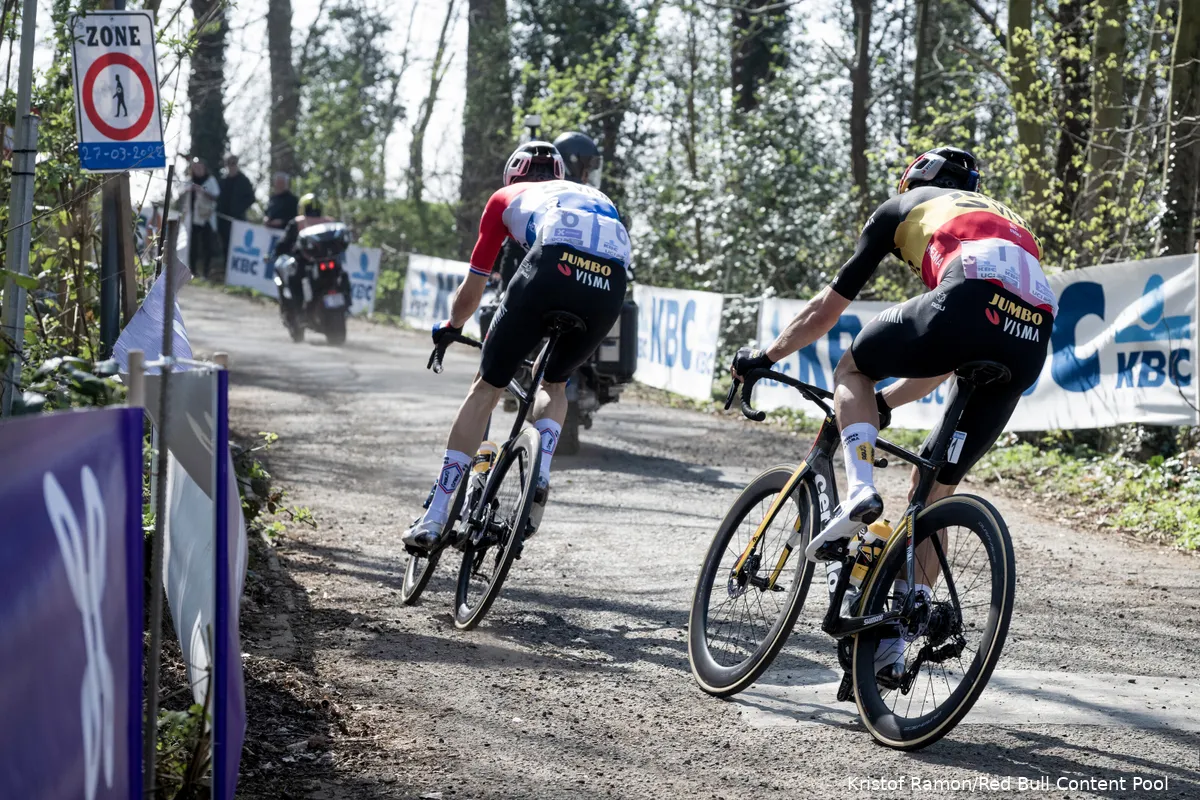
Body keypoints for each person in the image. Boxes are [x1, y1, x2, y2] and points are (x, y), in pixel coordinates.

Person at [730, 147, 1056, 677]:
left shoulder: (904, 207)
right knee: (933, 493)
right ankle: (896, 639)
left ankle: (860, 489)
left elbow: (825, 310)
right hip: (1031, 336)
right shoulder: (1011, 223)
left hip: (967, 298)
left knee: (853, 369)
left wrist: (765, 358)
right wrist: (882, 405)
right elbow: (946, 359)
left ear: (915, 180)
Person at [402, 142, 632, 551]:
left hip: (550, 266)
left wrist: (452, 326)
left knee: (487, 387)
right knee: (554, 383)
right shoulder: (596, 196)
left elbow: (473, 291)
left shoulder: (505, 198)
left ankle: (435, 516)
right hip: (610, 283)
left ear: (511, 176)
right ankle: (540, 473)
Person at [271, 193, 337, 314]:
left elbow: (283, 243)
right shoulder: (330, 222)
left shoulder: (297, 222)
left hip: (304, 261)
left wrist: (275, 253)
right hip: (327, 261)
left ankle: (298, 312)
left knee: (293, 280)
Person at [182, 157, 220, 279]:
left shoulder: (210, 180)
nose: (197, 169)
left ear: (204, 168)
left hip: (206, 218)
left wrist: (202, 191)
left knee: (207, 245)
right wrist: (189, 189)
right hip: (192, 218)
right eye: (195, 167)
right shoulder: (189, 180)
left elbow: (216, 196)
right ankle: (192, 271)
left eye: (199, 166)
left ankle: (206, 272)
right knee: (192, 245)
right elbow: (180, 193)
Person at [217, 154, 256, 261]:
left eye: (233, 163)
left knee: (238, 246)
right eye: (229, 163)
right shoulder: (222, 181)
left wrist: (239, 209)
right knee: (225, 246)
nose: (231, 166)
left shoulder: (244, 180)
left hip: (238, 219)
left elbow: (251, 198)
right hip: (223, 220)